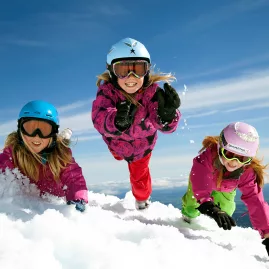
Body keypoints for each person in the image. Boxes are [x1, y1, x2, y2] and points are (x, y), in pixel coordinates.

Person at [92, 37, 181, 210]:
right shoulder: (107, 92)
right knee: (118, 155)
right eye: (123, 70)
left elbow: (162, 124)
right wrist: (116, 121)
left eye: (138, 69)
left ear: (146, 71)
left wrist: (167, 116)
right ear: (111, 72)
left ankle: (142, 201)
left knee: (139, 179)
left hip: (141, 149)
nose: (131, 77)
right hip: (116, 143)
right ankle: (118, 154)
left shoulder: (151, 92)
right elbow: (98, 116)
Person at [181, 122, 269, 256]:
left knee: (226, 211)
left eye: (242, 158)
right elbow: (200, 177)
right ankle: (187, 219)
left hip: (227, 188)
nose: (234, 162)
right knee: (193, 204)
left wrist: (267, 232)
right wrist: (206, 202)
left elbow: (256, 201)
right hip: (204, 184)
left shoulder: (246, 171)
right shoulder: (208, 157)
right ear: (220, 146)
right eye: (229, 154)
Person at [0, 100, 88, 212]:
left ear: (53, 132)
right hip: (33, 199)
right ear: (20, 130)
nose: (37, 136)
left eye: (44, 130)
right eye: (30, 128)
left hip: (54, 196)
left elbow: (74, 178)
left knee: (61, 146)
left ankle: (64, 138)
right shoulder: (12, 156)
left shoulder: (60, 157)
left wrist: (78, 198)